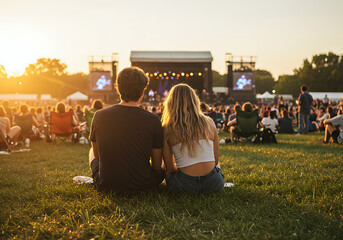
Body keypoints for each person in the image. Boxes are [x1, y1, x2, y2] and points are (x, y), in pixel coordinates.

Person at [89, 67, 164, 193]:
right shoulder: (154, 120)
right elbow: (157, 166)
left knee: (92, 151)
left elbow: (97, 156)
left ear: (118, 89)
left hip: (107, 186)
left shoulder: (99, 115)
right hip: (144, 186)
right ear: (142, 92)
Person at [161, 84, 224, 193]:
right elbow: (215, 160)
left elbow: (170, 169)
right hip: (214, 184)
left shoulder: (167, 128)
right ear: (195, 101)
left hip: (183, 186)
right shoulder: (209, 122)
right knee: (217, 165)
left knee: (164, 167)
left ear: (170, 103)